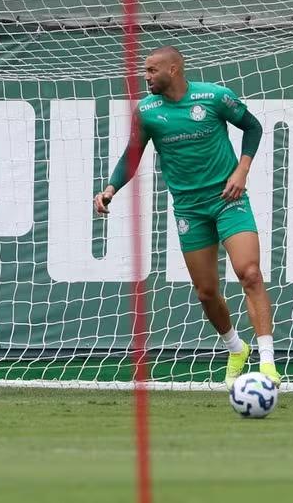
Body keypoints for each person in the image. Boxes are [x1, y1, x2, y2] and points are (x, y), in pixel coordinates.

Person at [94, 46, 279, 388]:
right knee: (206, 291)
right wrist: (110, 189)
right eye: (144, 71)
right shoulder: (147, 111)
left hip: (228, 199)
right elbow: (132, 155)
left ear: (174, 70)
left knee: (249, 273)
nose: (145, 76)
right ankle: (236, 349)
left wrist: (242, 170)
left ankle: (267, 362)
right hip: (189, 209)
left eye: (151, 70)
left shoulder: (214, 97)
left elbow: (252, 127)